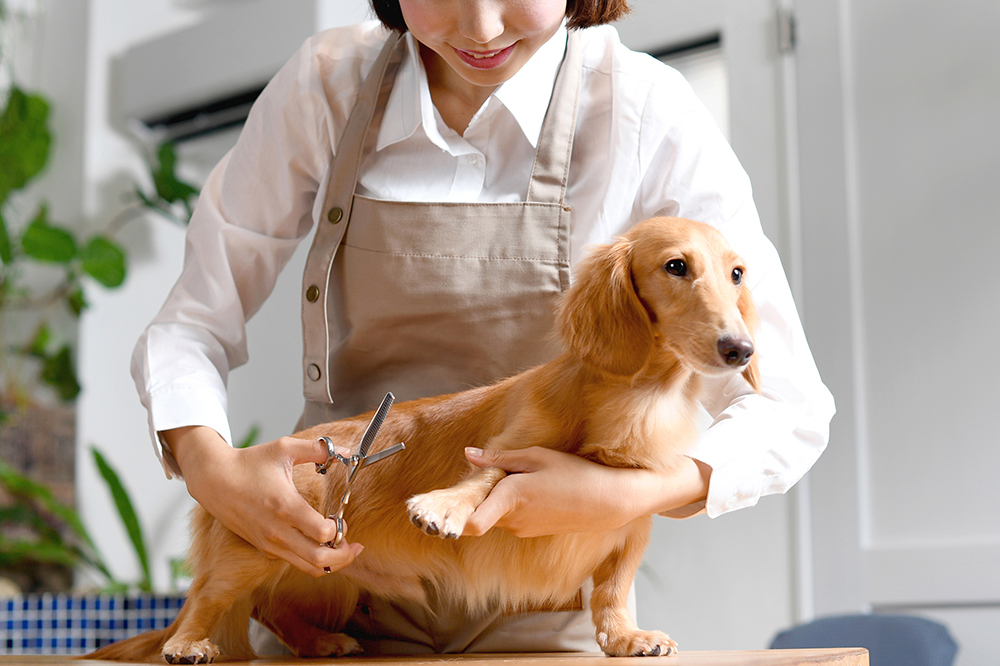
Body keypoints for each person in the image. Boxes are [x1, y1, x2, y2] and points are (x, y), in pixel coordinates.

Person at [132, 0, 835, 654]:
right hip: (335, 589)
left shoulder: (647, 110)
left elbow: (788, 407)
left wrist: (627, 494)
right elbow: (191, 322)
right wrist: (210, 468)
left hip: (541, 608)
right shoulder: (327, 84)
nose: (481, 26)